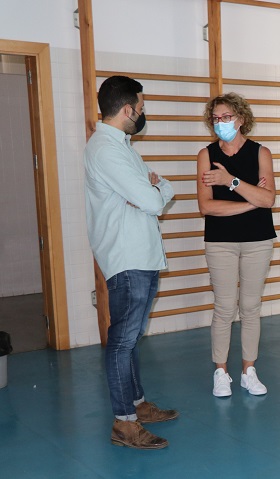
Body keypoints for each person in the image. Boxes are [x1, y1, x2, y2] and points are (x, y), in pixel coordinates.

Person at [84, 75, 178, 449]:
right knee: (122, 341)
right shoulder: (106, 150)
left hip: (141, 254)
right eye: (140, 107)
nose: (142, 113)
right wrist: (153, 191)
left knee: (131, 337)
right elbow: (155, 199)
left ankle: (137, 404)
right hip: (127, 258)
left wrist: (152, 190)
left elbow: (160, 188)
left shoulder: (123, 146)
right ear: (127, 109)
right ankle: (124, 423)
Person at [197, 93, 277, 398]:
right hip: (220, 242)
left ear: (241, 119)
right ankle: (221, 372)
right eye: (216, 118)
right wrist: (250, 201)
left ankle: (248, 371)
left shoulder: (261, 153)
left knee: (251, 307)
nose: (221, 123)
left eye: (227, 117)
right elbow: (206, 206)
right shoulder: (205, 155)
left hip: (258, 240)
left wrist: (230, 181)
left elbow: (268, 199)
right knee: (224, 307)